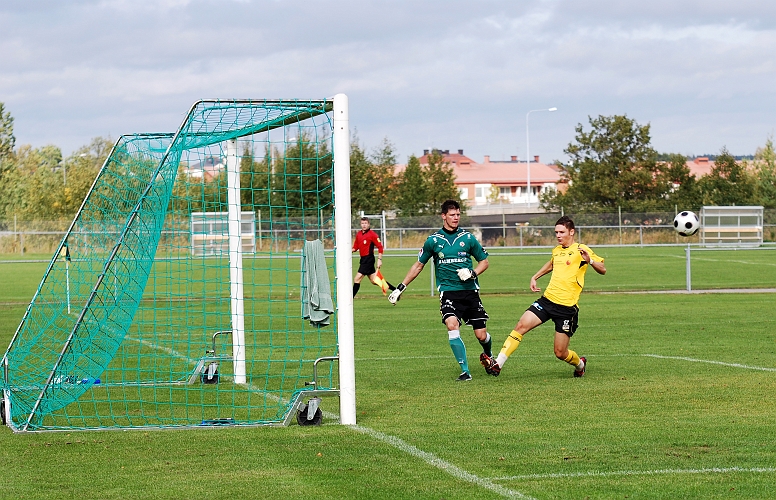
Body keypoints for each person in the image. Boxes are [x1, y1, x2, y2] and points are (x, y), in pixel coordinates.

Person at [481, 216, 606, 378]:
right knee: (521, 326)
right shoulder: (557, 250)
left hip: (566, 309)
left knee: (560, 353)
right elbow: (552, 263)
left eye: (562, 232)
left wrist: (590, 261)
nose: (558, 235)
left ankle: (580, 364)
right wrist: (535, 276)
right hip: (547, 301)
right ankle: (498, 364)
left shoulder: (581, 249)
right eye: (556, 232)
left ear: (572, 232)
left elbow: (603, 269)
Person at [388, 200, 493, 381]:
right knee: (452, 325)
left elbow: (484, 262)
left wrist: (472, 273)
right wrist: (400, 287)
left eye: (458, 215)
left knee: (481, 335)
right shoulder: (433, 241)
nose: (456, 218)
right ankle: (465, 371)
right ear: (443, 216)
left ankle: (489, 355)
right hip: (448, 292)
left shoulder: (468, 238)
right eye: (452, 215)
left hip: (470, 292)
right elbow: (418, 266)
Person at [352, 217, 395, 297]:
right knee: (374, 280)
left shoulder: (373, 235)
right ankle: (395, 290)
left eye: (365, 223)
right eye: (362, 223)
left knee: (357, 278)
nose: (364, 225)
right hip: (363, 259)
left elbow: (380, 247)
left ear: (368, 224)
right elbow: (355, 247)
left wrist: (379, 259)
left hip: (369, 259)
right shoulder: (358, 234)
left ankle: (350, 299)